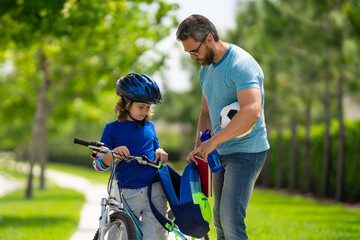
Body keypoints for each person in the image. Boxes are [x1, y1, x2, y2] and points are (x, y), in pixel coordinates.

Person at [176, 14, 270, 240]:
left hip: (247, 151)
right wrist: (200, 147)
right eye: (188, 52)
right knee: (218, 220)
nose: (192, 58)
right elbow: (206, 112)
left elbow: (252, 112)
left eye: (194, 51)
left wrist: (213, 142)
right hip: (221, 151)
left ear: (209, 39)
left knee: (230, 218)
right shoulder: (205, 69)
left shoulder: (241, 65)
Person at [93, 73, 169, 240]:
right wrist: (112, 154)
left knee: (156, 235)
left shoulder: (150, 126)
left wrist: (160, 152)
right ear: (126, 104)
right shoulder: (112, 129)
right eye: (141, 107)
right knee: (121, 235)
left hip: (154, 189)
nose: (145, 111)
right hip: (127, 191)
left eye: (148, 107)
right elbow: (99, 163)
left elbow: (156, 147)